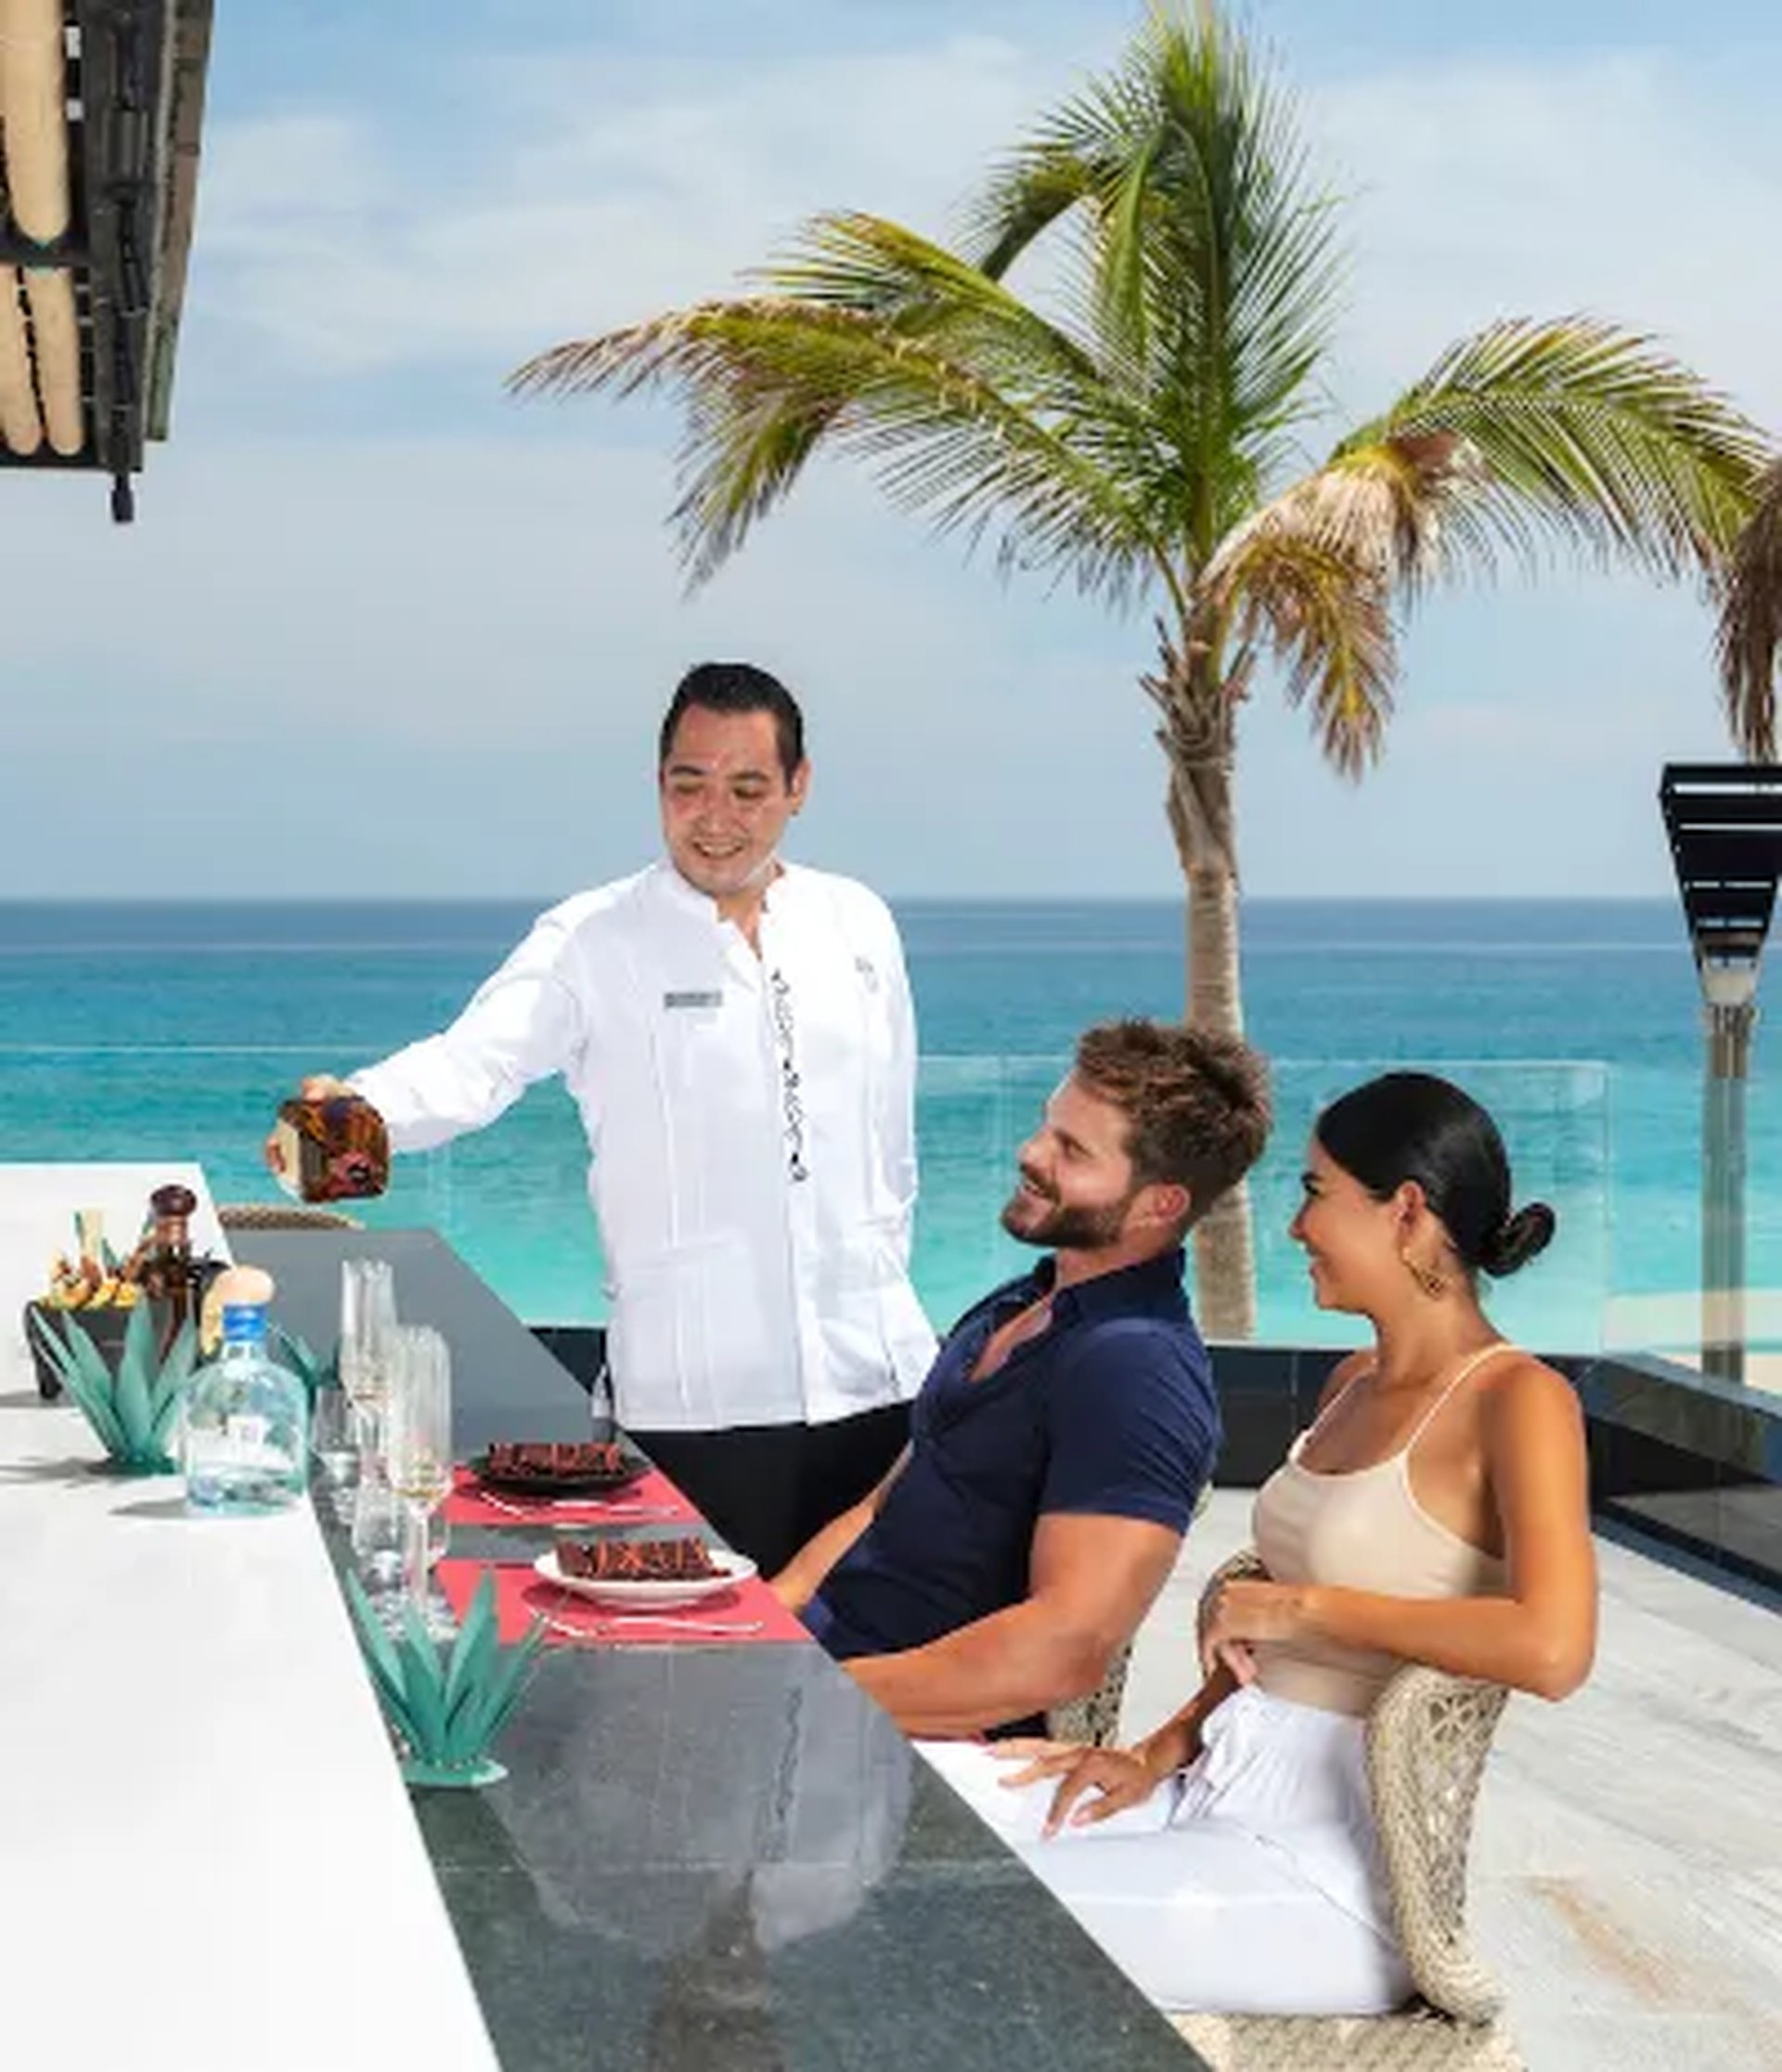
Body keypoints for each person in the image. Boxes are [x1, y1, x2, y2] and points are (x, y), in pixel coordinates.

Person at [923, 1069, 1597, 2017]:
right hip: (1211, 1787)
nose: (1295, 1228)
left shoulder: (1519, 1401)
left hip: (1330, 1873)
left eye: (1317, 1193)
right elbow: (1258, 1648)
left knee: (958, 1923)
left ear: (1404, 1212)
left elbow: (1555, 1647)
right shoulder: (1350, 1386)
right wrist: (1156, 1751)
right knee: (898, 1795)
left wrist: (1304, 1608)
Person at [269, 662, 936, 1572]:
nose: (715, 816)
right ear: (657, 783)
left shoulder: (858, 923)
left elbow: (890, 1149)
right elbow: (475, 1064)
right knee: (696, 1693)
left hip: (883, 1392)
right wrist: (355, 1112)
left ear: (798, 788)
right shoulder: (594, 940)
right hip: (691, 1413)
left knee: (876, 1693)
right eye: (688, 784)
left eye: (748, 789)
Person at [772, 1018, 1272, 1741]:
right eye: (1047, 1126)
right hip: (820, 1678)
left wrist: (801, 1700)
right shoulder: (1023, 1304)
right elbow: (885, 1507)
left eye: (1072, 1150)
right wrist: (759, 1629)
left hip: (915, 1742)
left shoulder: (1137, 1371)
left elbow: (1064, 1651)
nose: (1030, 1153)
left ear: (1159, 1204)